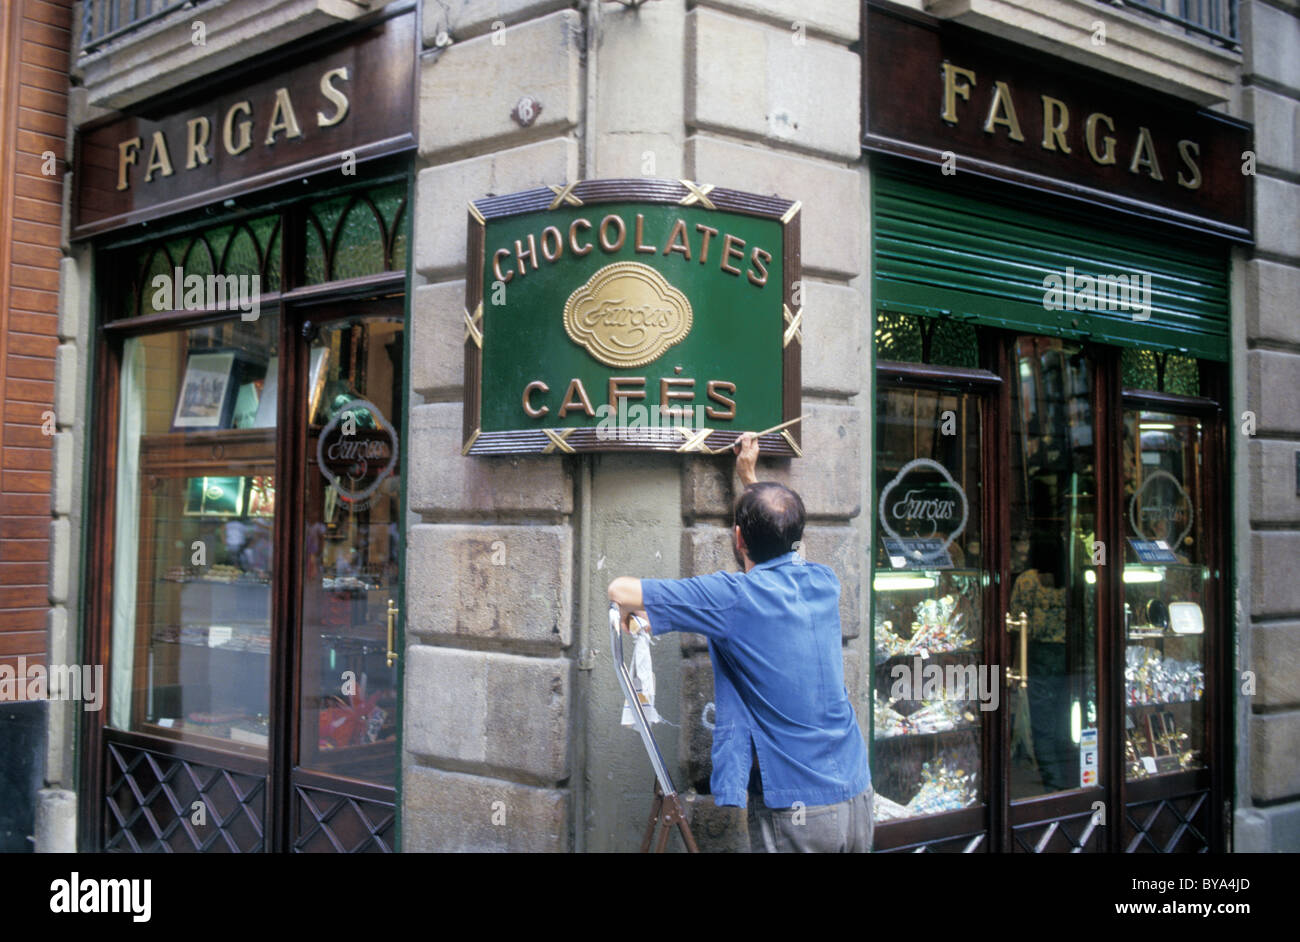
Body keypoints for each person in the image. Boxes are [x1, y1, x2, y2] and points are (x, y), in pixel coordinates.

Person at [607, 433, 873, 852]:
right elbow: (781, 538)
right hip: (856, 794)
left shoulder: (733, 597)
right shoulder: (823, 581)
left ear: (737, 540)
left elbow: (619, 589)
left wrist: (626, 611)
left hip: (798, 806)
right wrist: (749, 477)